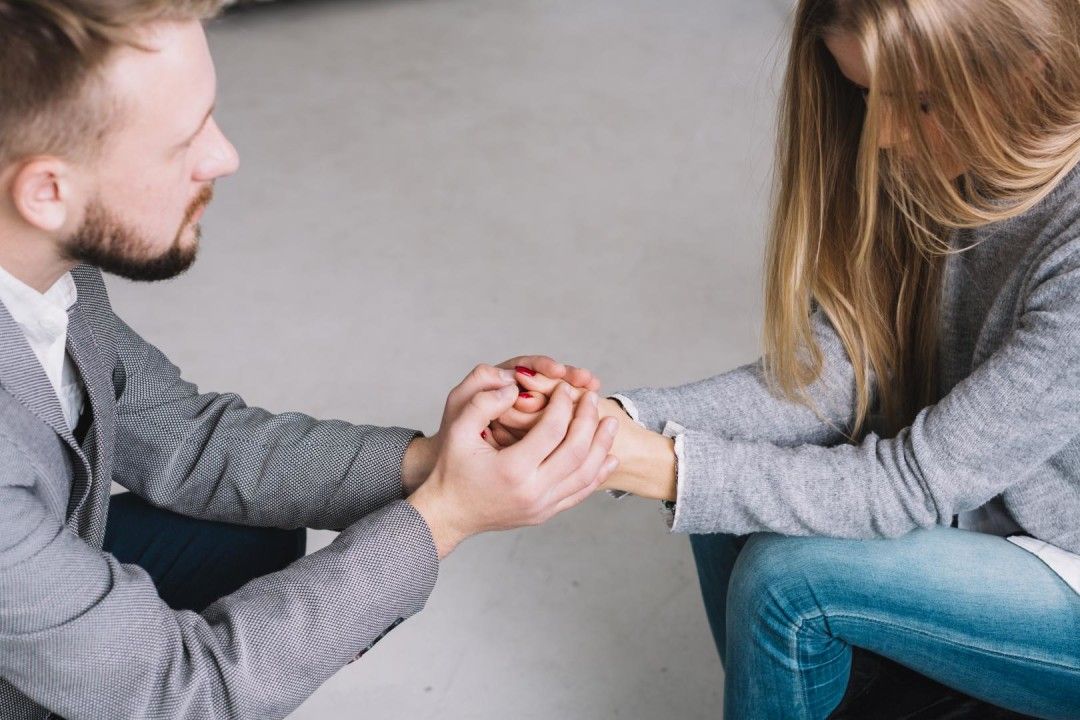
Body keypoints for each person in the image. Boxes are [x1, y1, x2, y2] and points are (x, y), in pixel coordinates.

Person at [0, 3, 621, 718]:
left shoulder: (44, 263)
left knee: (248, 532)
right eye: (182, 142)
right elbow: (184, 693)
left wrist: (437, 462)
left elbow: (189, 439)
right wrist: (447, 514)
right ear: (46, 191)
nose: (224, 156)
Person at [494, 0, 1080, 717]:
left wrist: (638, 461)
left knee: (785, 577)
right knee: (726, 502)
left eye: (920, 102)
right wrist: (615, 419)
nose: (885, 134)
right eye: (868, 95)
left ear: (1030, 72)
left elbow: (910, 484)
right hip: (987, 512)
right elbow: (849, 368)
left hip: (1066, 561)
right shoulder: (947, 148)